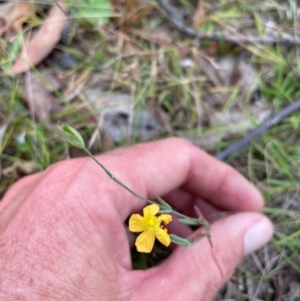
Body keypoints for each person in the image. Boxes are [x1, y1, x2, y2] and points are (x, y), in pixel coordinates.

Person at [0, 138, 273, 300]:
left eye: (154, 221)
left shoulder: (154, 221)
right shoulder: (147, 223)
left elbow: (153, 222)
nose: (152, 223)